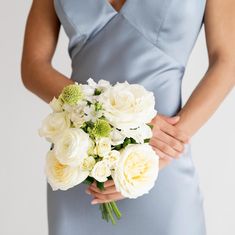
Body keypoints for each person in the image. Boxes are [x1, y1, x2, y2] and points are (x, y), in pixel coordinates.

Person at [21, 0, 235, 234]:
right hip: (81, 163)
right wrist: (121, 121)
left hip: (160, 163)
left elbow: (227, 60)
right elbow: (33, 66)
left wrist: (165, 148)